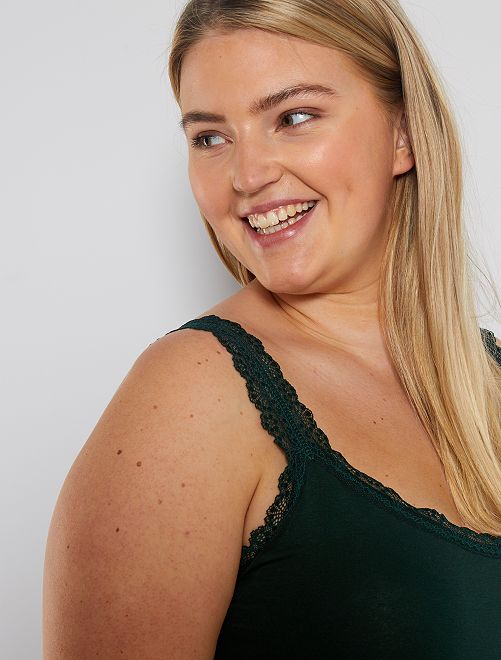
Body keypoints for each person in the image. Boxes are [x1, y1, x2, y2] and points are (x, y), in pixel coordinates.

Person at [43, 0, 501, 657]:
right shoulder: (193, 397)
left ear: (402, 133)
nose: (246, 176)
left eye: (293, 117)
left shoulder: (487, 377)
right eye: (209, 137)